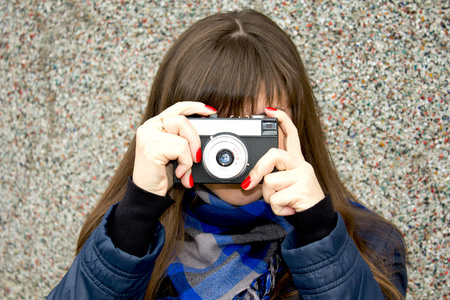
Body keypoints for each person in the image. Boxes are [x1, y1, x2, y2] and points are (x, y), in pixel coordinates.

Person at [48, 9, 407, 300]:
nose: (231, 152)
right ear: (170, 123)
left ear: (296, 123)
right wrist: (136, 215)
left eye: (256, 126)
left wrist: (318, 234)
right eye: (215, 126)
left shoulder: (367, 241)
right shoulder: (124, 235)